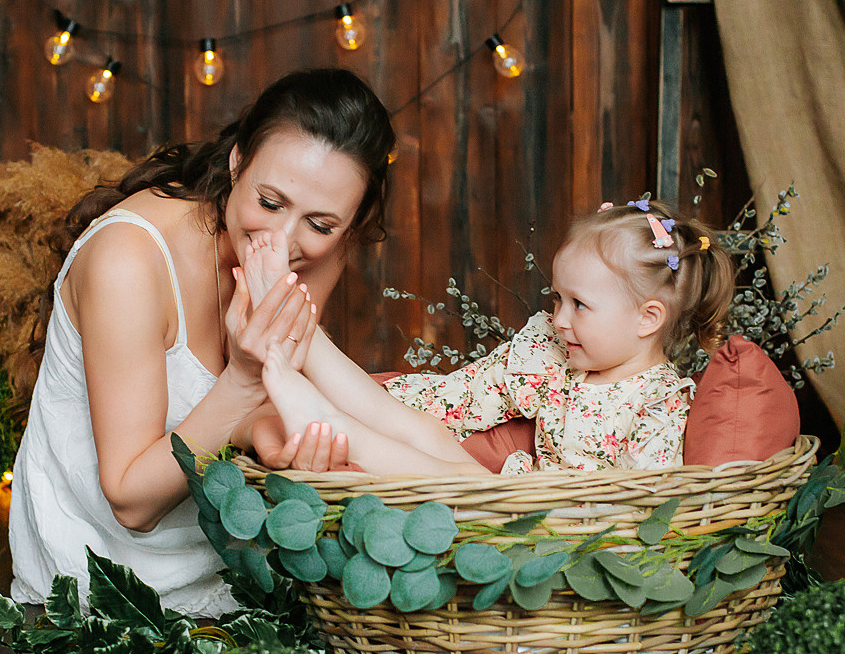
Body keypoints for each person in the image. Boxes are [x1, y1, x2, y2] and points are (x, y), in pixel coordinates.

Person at [8, 68, 395, 615]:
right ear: (237, 161)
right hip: (108, 581)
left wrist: (271, 434)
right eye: (269, 202)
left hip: (243, 552)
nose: (282, 242)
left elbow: (278, 387)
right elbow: (130, 501)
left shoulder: (320, 247)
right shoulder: (130, 260)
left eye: (321, 224)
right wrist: (242, 385)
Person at [251, 199, 736, 475]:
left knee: (457, 479)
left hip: (550, 538)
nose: (559, 318)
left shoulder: (660, 404)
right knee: (429, 430)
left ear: (647, 318)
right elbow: (452, 400)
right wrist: (384, 404)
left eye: (580, 305)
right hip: (509, 502)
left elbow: (631, 520)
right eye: (557, 298)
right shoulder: (555, 353)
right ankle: (301, 335)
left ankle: (336, 427)